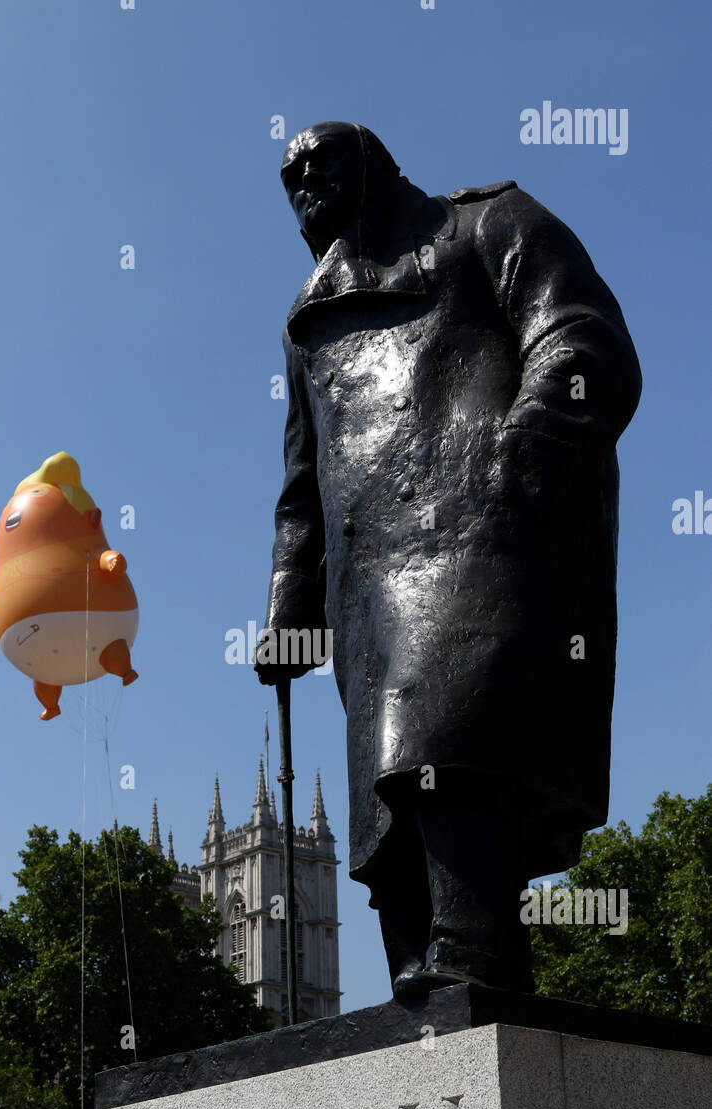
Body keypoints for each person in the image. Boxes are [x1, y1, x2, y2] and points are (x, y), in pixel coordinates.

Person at [255, 122, 642, 1000]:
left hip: (479, 534)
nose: (305, 179)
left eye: (324, 160)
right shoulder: (307, 323)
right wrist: (289, 598)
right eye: (291, 174)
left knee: (452, 742)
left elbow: (582, 337)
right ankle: (422, 983)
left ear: (379, 165)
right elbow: (303, 480)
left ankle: (476, 952)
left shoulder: (488, 224)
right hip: (366, 590)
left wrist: (528, 446)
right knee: (388, 805)